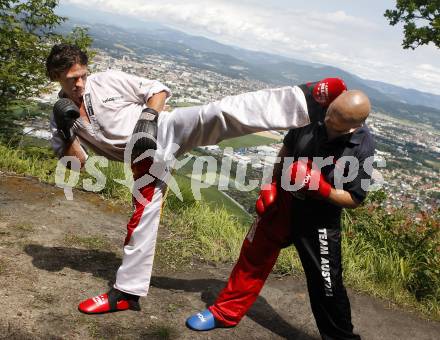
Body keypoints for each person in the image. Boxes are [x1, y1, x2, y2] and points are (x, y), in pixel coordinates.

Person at [45, 43, 346, 315]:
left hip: (164, 130)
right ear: (56, 78)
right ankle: (127, 293)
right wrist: (66, 128)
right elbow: (77, 164)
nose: (81, 83)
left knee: (216, 113)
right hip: (143, 163)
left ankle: (307, 98)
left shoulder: (107, 80)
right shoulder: (60, 115)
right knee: (141, 221)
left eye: (83, 75)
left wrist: (148, 119)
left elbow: (158, 90)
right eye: (72, 79)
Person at [186, 89, 375, 340]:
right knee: (251, 258)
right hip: (283, 203)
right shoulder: (313, 114)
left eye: (336, 122)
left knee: (327, 284)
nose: (327, 121)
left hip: (319, 217)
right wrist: (271, 185)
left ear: (355, 125)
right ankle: (224, 313)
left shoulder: (362, 147)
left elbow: (354, 199)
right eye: (329, 114)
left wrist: (322, 188)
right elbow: (285, 153)